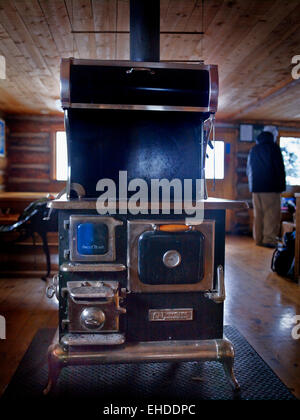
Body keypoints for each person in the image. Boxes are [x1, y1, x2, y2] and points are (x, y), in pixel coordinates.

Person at [247, 126, 286, 248]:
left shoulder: (254, 149)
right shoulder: (274, 148)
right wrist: (281, 187)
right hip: (271, 188)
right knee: (271, 215)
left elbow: (248, 170)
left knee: (258, 215)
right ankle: (269, 240)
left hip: (256, 188)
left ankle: (258, 239)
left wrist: (252, 185)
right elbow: (279, 169)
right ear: (273, 135)